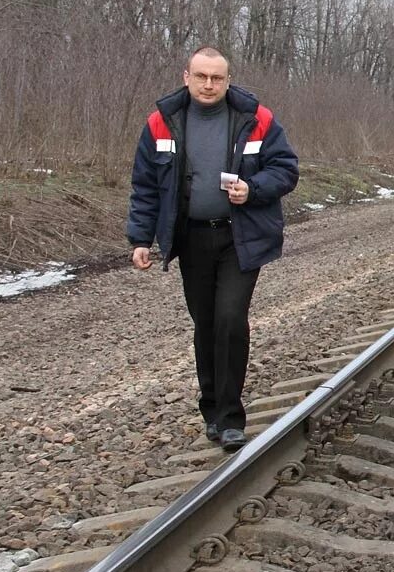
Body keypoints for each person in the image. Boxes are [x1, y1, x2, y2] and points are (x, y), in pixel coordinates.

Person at [127, 46, 299, 452]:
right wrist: (140, 239)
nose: (209, 85)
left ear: (227, 79)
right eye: (201, 76)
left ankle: (232, 417)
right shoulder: (161, 122)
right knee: (205, 323)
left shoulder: (256, 118)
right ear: (186, 76)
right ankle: (211, 411)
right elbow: (146, 185)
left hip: (241, 237)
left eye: (217, 78)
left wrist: (252, 189)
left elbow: (286, 169)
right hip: (192, 238)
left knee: (230, 319)